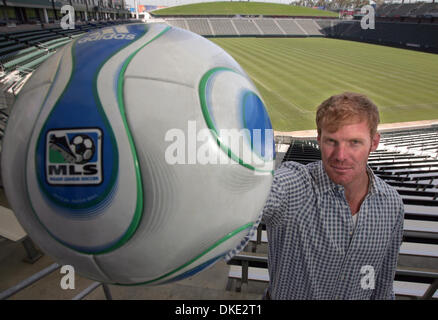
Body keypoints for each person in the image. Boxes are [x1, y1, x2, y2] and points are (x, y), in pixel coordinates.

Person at [262, 92, 404, 300]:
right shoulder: (297, 184)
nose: (340, 156)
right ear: (319, 138)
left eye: (354, 142)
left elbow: (381, 281)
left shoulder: (392, 204)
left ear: (374, 143)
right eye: (331, 141)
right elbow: (263, 196)